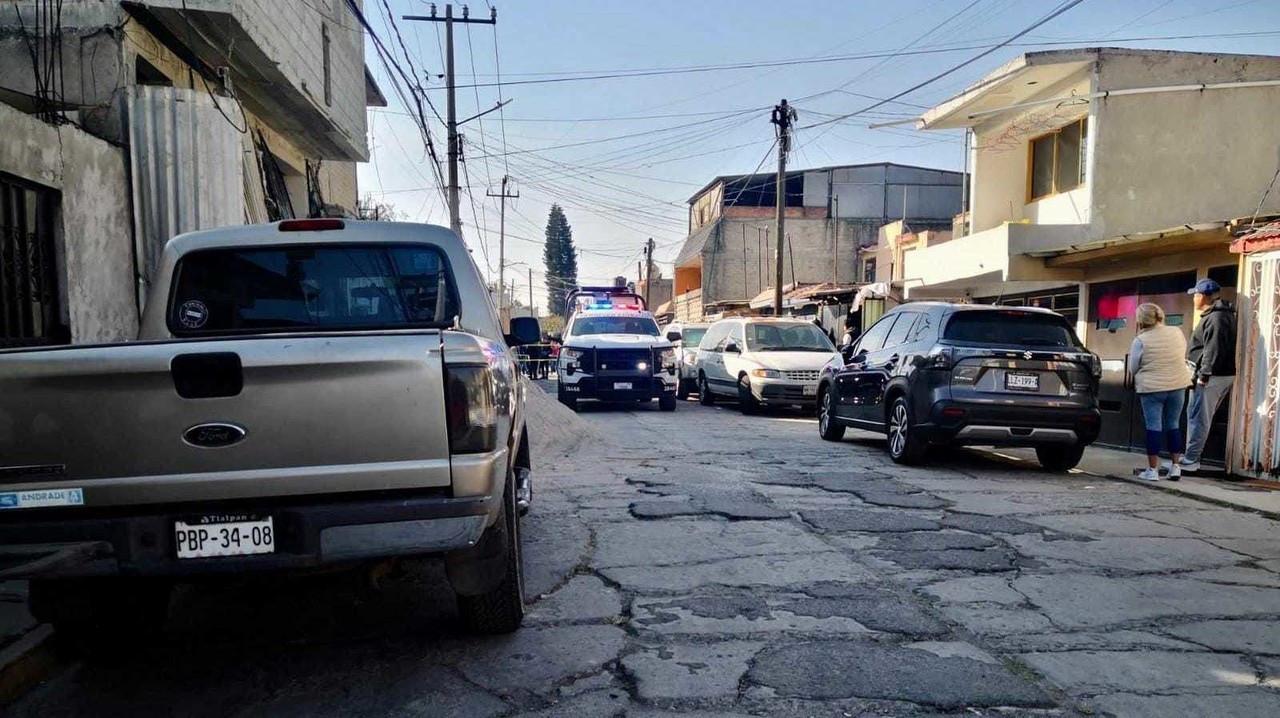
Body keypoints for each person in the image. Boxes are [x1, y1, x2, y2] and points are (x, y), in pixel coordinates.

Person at [1128, 303, 1193, 481]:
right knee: (1173, 424)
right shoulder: (1177, 332)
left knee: (1153, 427)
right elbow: (1182, 354)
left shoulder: (1140, 340)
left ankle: (1152, 470)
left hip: (1152, 388)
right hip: (1178, 384)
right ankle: (1176, 466)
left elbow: (1133, 367)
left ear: (1140, 320)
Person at [1179, 278, 1236, 472]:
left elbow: (1213, 348)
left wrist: (1204, 374)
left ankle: (1191, 459)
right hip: (1213, 375)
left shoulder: (1216, 318)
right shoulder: (1216, 315)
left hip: (1211, 377)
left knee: (1198, 418)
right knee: (1196, 416)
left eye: (1195, 295)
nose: (1193, 299)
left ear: (1202, 296)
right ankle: (1190, 456)